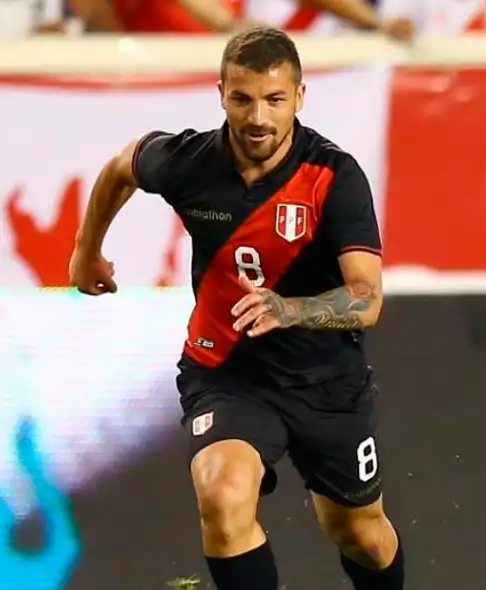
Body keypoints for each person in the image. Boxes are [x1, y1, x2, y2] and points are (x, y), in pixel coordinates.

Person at [68, 26, 404, 590]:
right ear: (220, 92)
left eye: (275, 100)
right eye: (242, 99)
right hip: (227, 371)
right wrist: (86, 251)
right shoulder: (189, 161)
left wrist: (290, 309)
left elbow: (366, 298)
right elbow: (123, 165)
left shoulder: (334, 178)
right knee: (223, 498)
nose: (258, 118)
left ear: (299, 98)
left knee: (361, 536)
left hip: (326, 382)